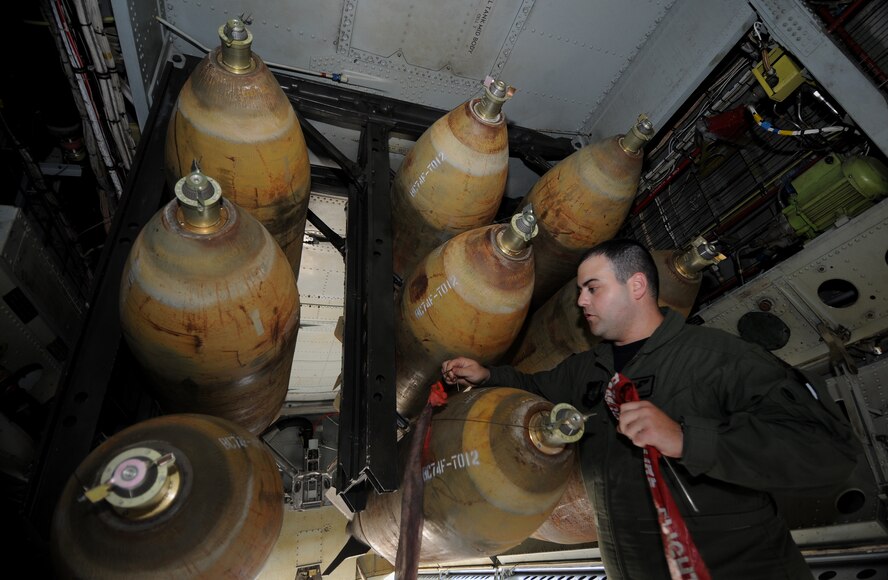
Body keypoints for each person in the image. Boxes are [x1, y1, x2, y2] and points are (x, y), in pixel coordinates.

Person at [441, 239, 861, 580]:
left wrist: (686, 440)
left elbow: (827, 451)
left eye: (592, 288)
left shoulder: (721, 359)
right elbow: (535, 388)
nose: (581, 302)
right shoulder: (589, 369)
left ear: (636, 286)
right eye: (579, 292)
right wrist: (488, 376)